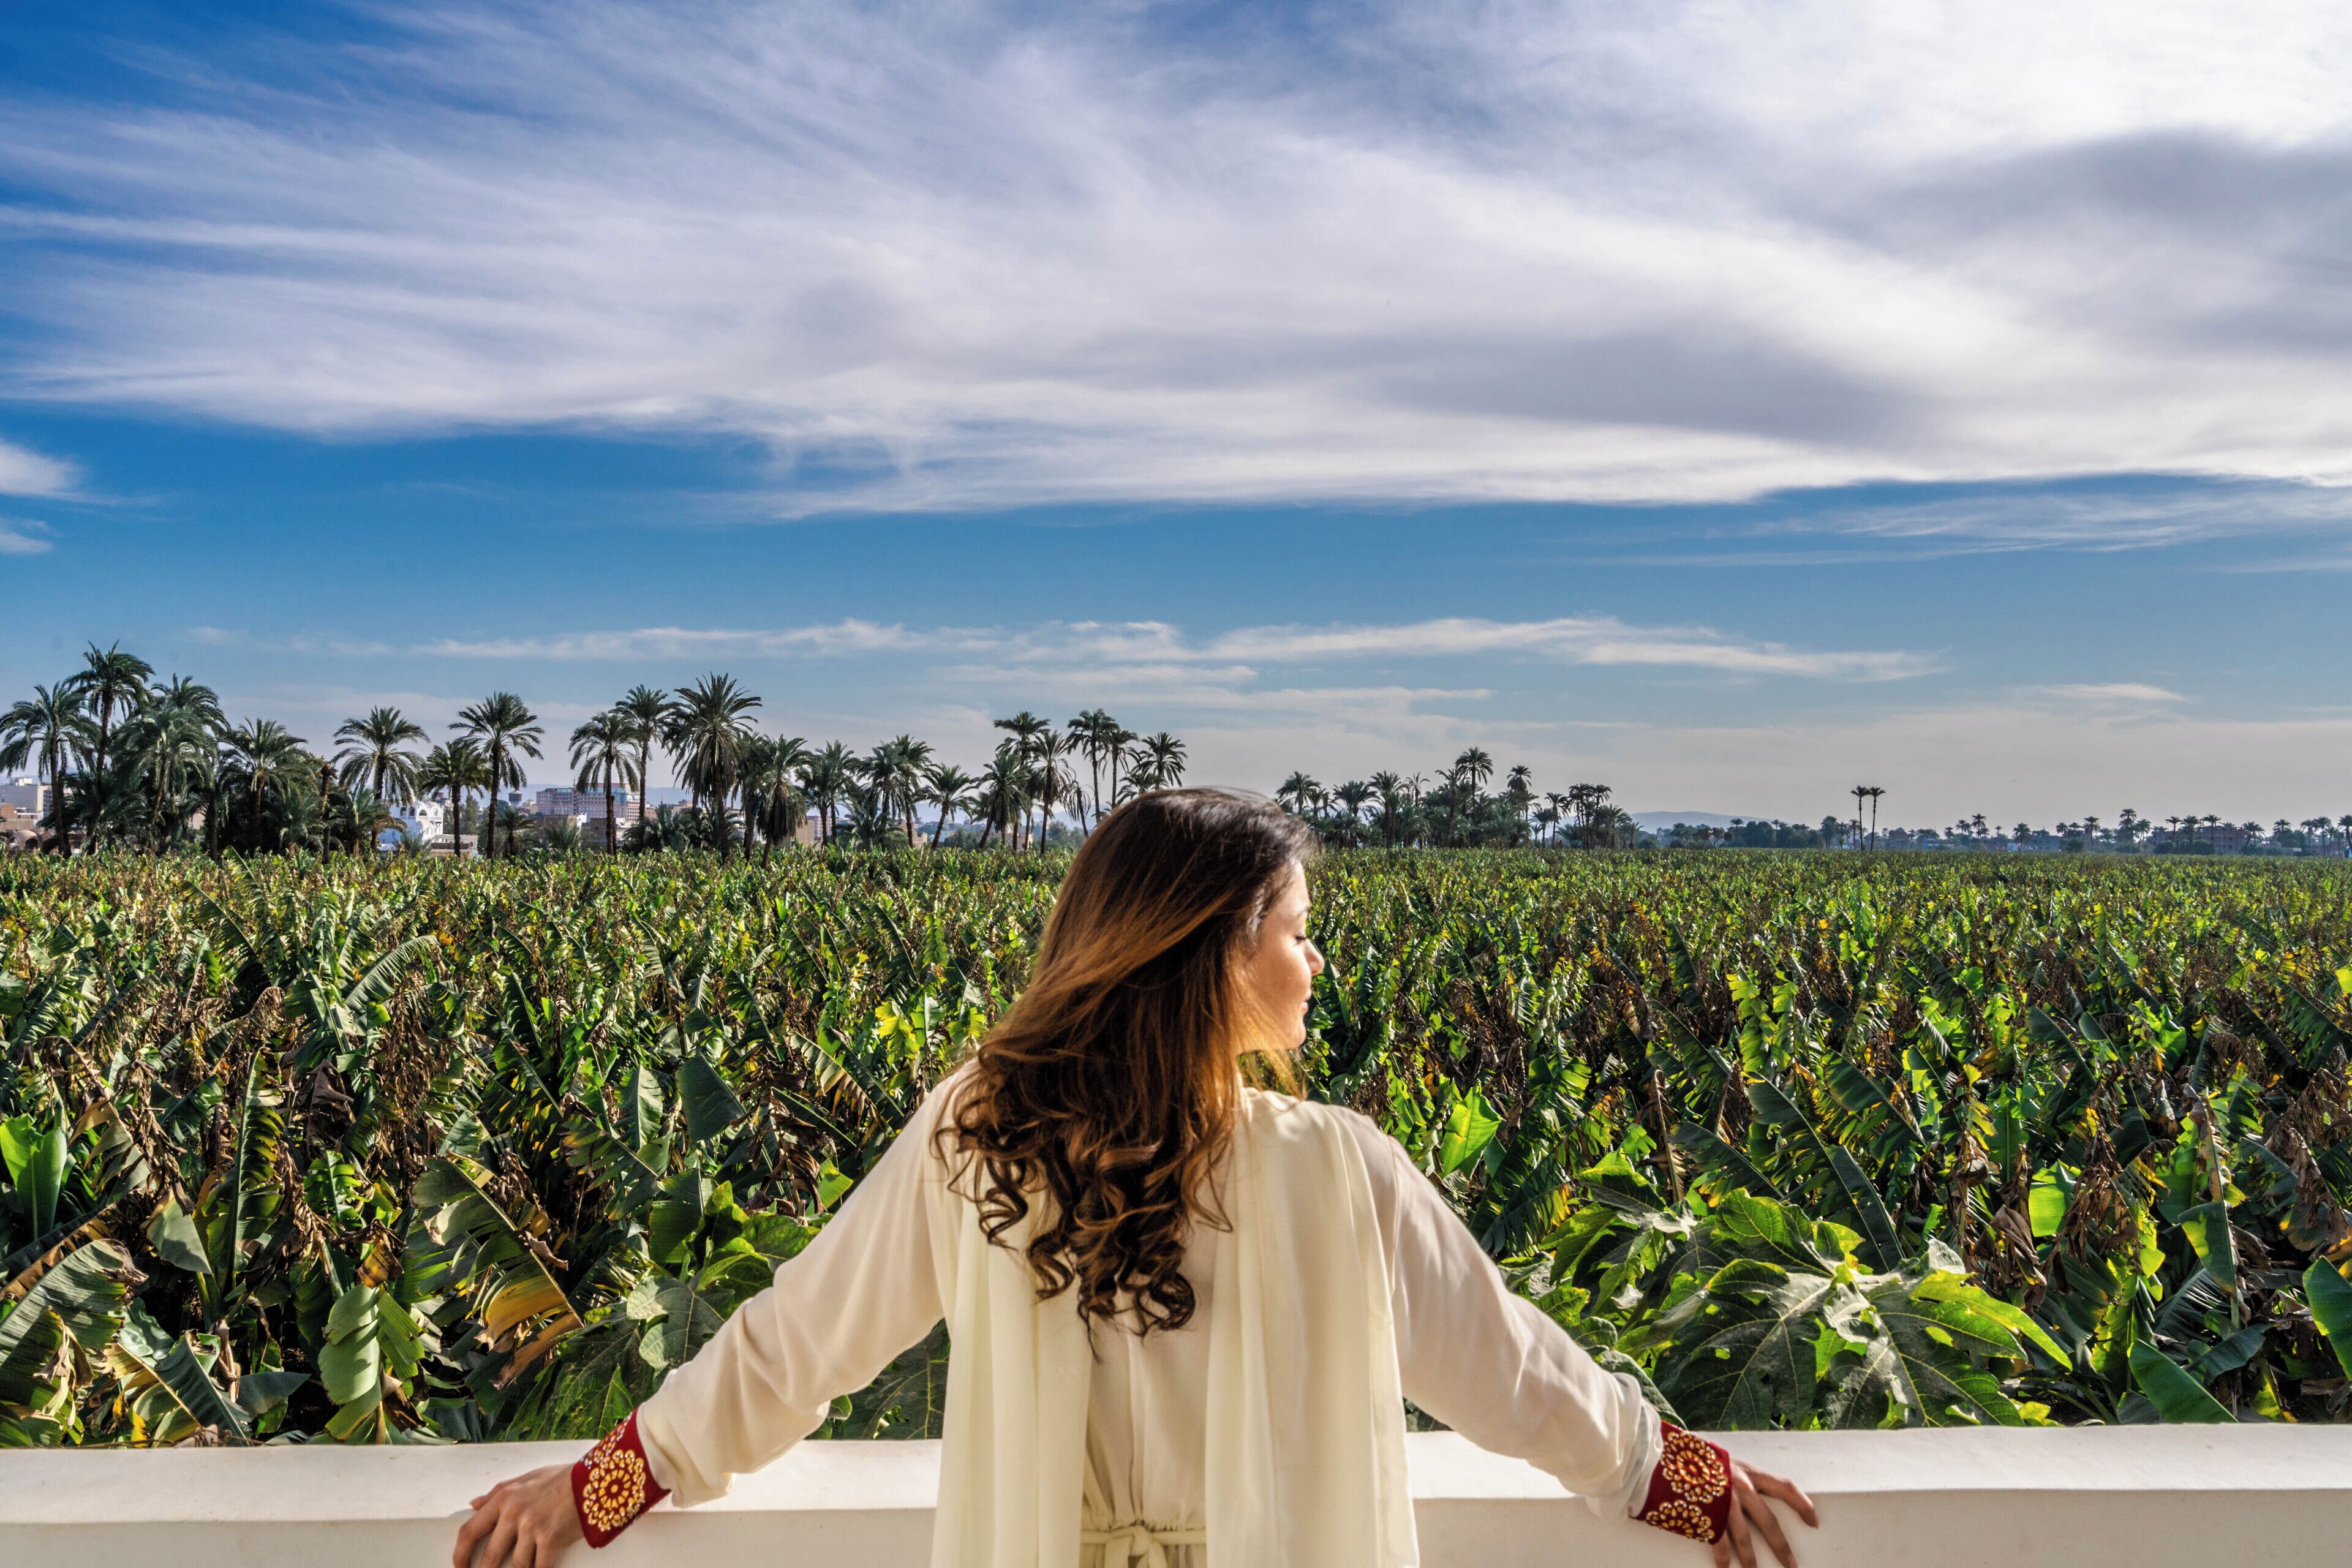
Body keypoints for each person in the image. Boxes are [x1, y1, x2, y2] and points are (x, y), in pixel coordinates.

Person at [455, 788, 1817, 1568]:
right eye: (1298, 931)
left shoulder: (981, 1135)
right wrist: (1676, 1477)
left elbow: (797, 1343)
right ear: (1217, 951)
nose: (1316, 962)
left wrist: (600, 1488)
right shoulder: (1335, 1169)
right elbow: (1513, 1376)